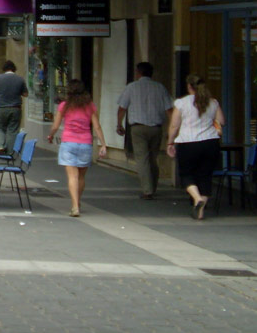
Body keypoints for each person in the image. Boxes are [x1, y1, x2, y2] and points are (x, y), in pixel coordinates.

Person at [166, 74, 225, 220]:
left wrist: (170, 142)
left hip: (188, 143)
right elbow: (222, 121)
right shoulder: (213, 102)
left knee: (186, 174)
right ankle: (200, 211)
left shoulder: (181, 103)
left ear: (189, 87)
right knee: (205, 176)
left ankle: (197, 198)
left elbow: (174, 125)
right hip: (210, 142)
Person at [47, 80, 108, 218]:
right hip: (85, 143)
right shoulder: (90, 106)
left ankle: (74, 206)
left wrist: (50, 135)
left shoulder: (64, 106)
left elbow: (56, 126)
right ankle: (77, 202)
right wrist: (103, 144)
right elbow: (97, 126)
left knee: (72, 176)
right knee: (81, 176)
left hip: (68, 142)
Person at [116, 61, 173, 199]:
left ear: (138, 73)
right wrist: (172, 129)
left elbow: (122, 107)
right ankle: (153, 186)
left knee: (142, 159)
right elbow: (169, 110)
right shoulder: (160, 88)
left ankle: (147, 190)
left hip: (138, 128)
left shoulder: (131, 87)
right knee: (153, 158)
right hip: (156, 128)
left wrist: (119, 124)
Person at [0, 60, 28, 154]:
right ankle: (10, 152)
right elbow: (25, 94)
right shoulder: (20, 79)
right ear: (14, 69)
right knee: (13, 130)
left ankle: (1, 146)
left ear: (4, 69)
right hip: (16, 108)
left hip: (2, 108)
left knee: (0, 127)